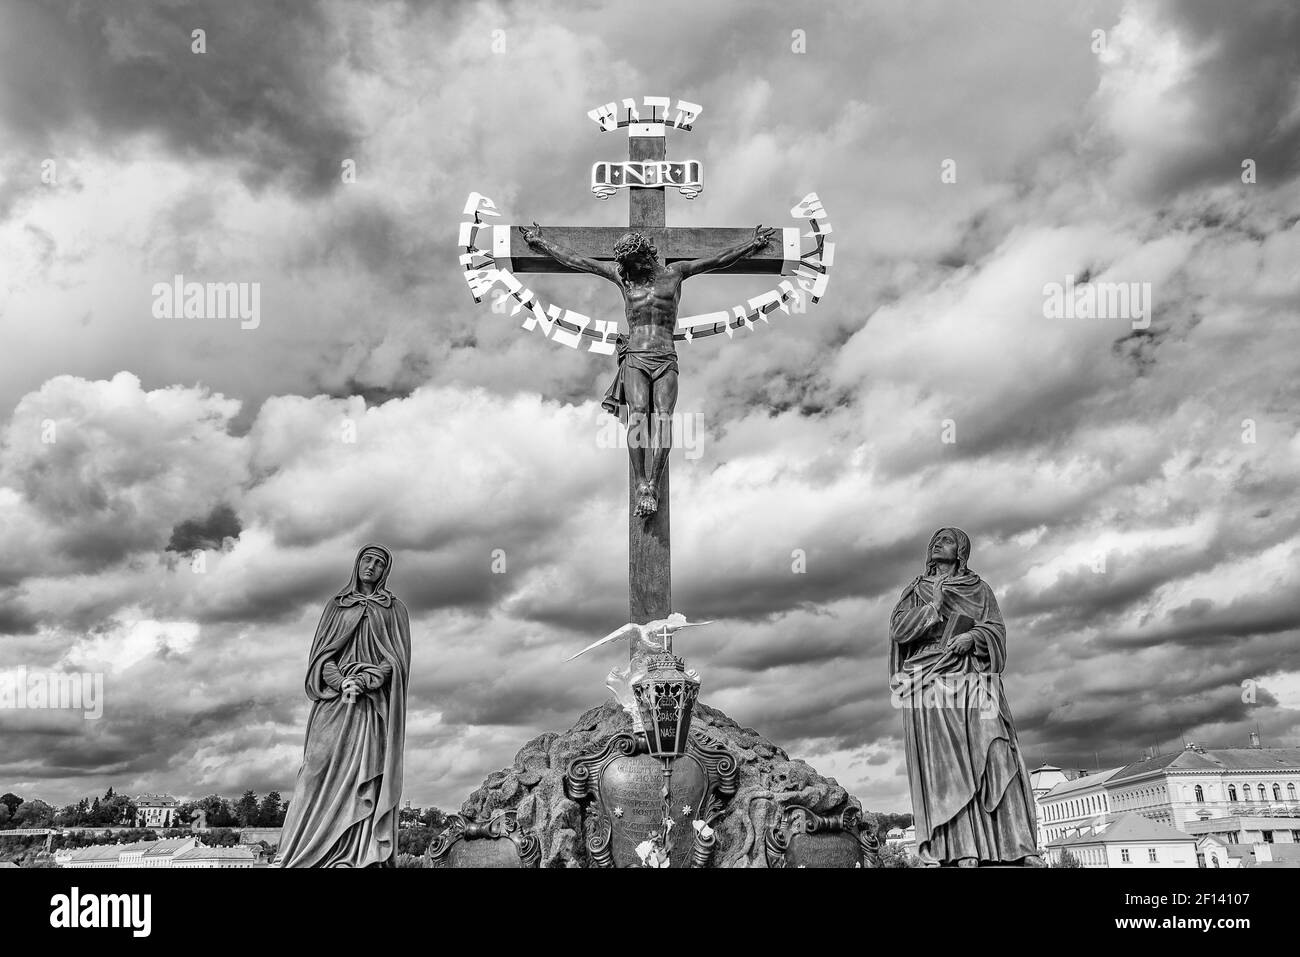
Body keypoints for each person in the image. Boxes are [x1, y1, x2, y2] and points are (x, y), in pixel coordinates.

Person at [520, 223, 775, 517]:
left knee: (665, 418)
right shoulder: (624, 278)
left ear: (644, 256)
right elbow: (578, 261)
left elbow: (718, 259)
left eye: (632, 262)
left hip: (665, 356)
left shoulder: (675, 273)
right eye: (623, 264)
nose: (626, 269)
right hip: (637, 356)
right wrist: (541, 242)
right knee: (639, 415)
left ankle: (654, 482)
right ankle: (641, 483)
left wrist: (752, 245)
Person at [888, 527, 1041, 866]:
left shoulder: (980, 589)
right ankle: (960, 849)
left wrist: (973, 637)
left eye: (944, 540)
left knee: (997, 749)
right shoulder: (918, 590)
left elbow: (996, 629)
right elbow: (899, 631)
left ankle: (1015, 845)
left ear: (960, 551)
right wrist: (934, 606)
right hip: (930, 679)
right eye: (933, 540)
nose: (935, 544)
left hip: (973, 673)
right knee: (947, 767)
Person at [276, 544, 410, 867]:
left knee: (366, 779)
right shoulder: (337, 606)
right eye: (367, 559)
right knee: (313, 771)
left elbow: (398, 660)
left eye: (379, 563)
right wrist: (341, 682)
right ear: (357, 564)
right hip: (334, 704)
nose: (372, 566)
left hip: (371, 710)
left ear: (385, 572)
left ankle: (356, 855)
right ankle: (292, 855)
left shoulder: (394, 609)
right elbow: (321, 658)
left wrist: (372, 677)